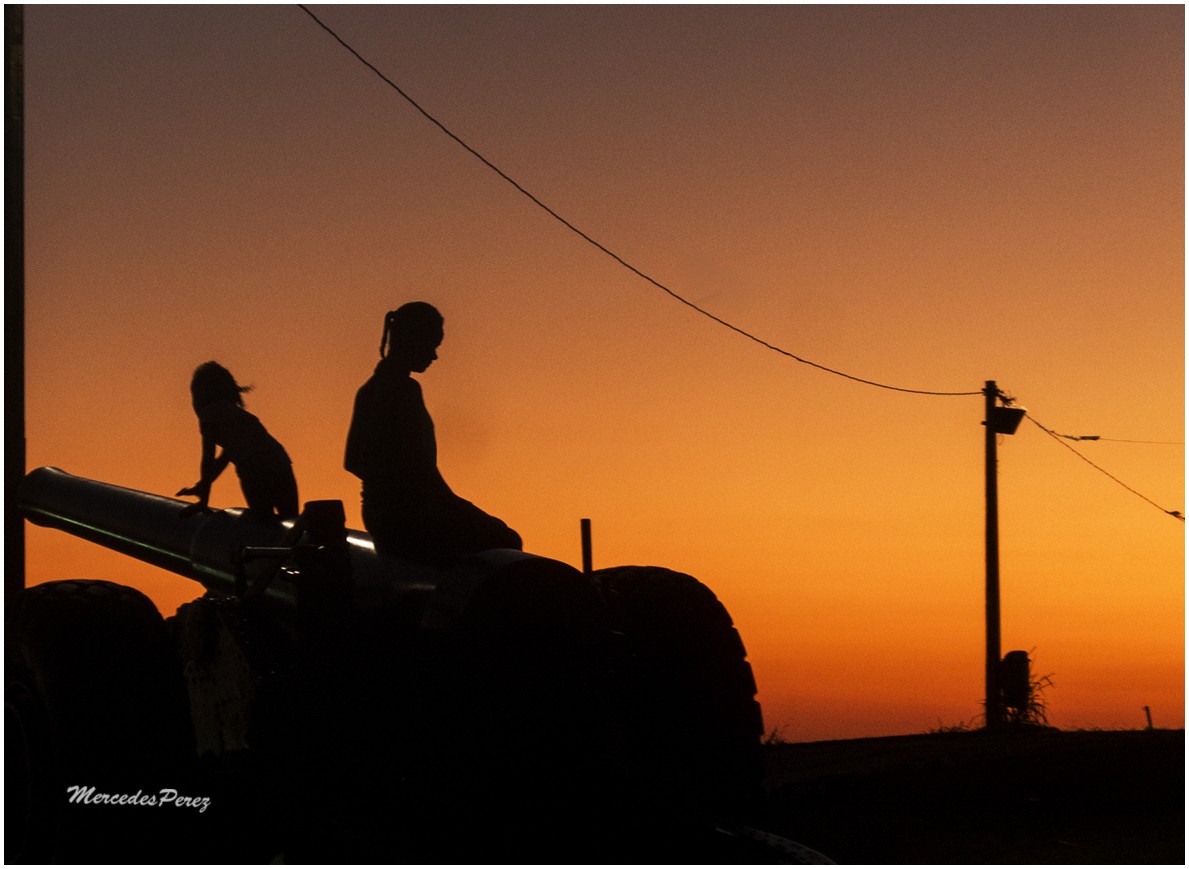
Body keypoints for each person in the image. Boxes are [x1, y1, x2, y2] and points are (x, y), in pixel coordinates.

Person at [344, 302, 522, 564]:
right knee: (506, 540)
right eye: (432, 346)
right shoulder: (402, 391)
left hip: (382, 514)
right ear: (412, 339)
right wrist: (442, 502)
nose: (434, 356)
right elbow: (421, 472)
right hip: (410, 517)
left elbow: (353, 461)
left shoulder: (371, 390)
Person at [177, 361, 299, 519]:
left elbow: (208, 459)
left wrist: (203, 501)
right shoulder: (236, 414)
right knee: (290, 523)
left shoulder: (209, 416)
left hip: (253, 468)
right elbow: (224, 458)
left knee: (264, 523)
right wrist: (202, 486)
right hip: (280, 462)